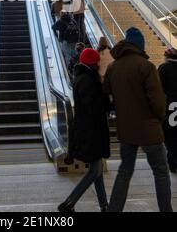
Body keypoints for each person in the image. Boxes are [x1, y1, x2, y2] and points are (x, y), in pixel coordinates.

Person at [104, 27, 173, 212]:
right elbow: (158, 100)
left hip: (126, 129)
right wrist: (160, 117)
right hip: (149, 129)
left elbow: (107, 95)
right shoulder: (146, 66)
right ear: (140, 46)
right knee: (160, 172)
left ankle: (114, 209)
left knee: (125, 171)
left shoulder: (113, 67)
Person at [58, 48, 110, 212]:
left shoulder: (84, 77)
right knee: (94, 171)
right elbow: (93, 106)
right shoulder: (87, 80)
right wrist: (107, 101)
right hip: (91, 131)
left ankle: (104, 205)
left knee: (98, 171)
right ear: (93, 63)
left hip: (90, 129)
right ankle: (69, 203)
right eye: (97, 62)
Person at [158, 47, 177, 173]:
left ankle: (173, 162)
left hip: (170, 109)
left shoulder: (163, 68)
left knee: (170, 137)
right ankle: (172, 163)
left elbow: (158, 88)